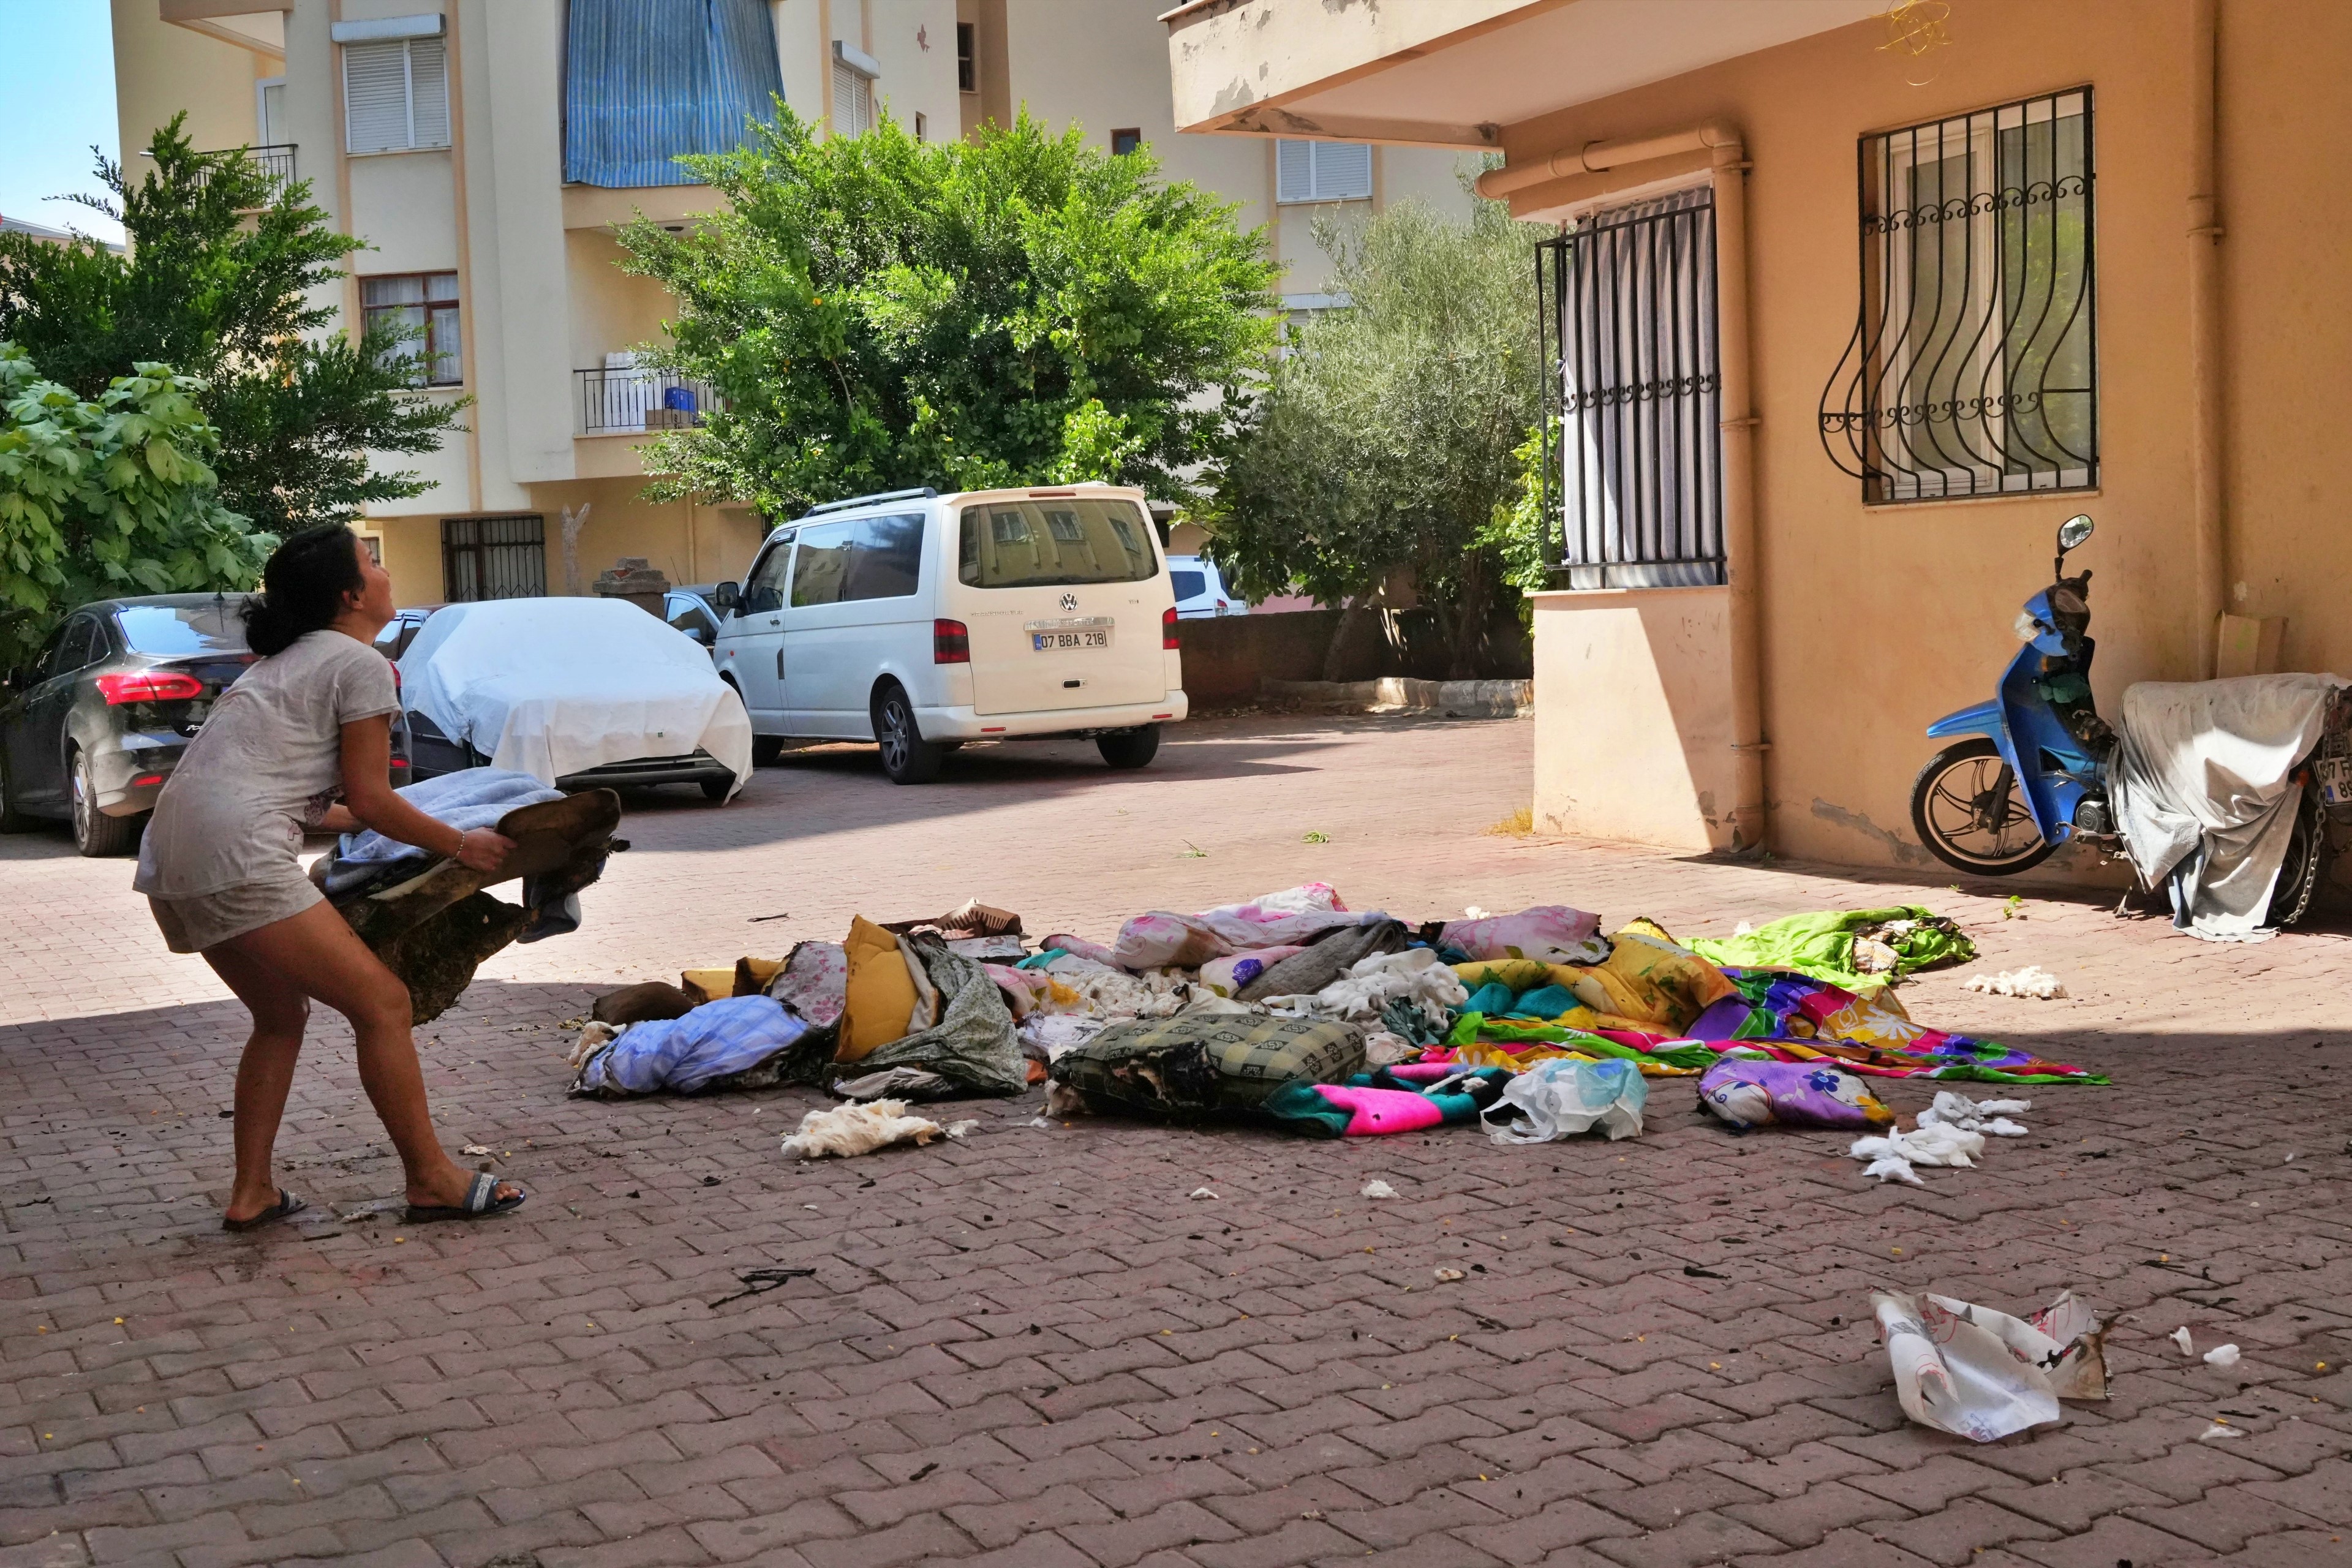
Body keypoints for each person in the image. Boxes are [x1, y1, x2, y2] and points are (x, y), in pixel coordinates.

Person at [135, 524, 525, 1230]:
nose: (382, 570)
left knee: (281, 1015)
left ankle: (252, 1191)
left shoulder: (284, 664)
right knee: (382, 1004)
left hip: (170, 854)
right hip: (238, 854)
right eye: (371, 561)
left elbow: (309, 795)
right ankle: (432, 1177)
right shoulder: (358, 662)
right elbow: (374, 799)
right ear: (350, 595)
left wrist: (396, 824)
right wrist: (460, 844)